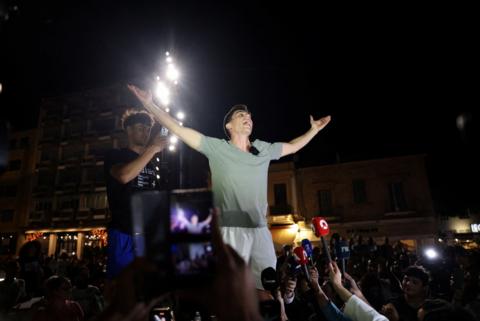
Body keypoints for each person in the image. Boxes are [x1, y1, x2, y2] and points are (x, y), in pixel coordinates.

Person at [127, 84, 331, 294]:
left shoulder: (264, 149)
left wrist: (313, 130)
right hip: (230, 232)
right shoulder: (216, 148)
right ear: (229, 126)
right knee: (233, 294)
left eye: (250, 116)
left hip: (260, 231)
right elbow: (179, 129)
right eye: (241, 115)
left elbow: (293, 145)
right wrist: (149, 103)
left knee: (266, 290)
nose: (248, 118)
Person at [104, 108, 168, 279]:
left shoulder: (152, 164)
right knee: (121, 287)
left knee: (145, 290)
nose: (146, 132)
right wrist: (153, 148)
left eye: (148, 128)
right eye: (141, 128)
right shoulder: (115, 155)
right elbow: (124, 175)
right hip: (124, 232)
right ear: (129, 130)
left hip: (147, 235)